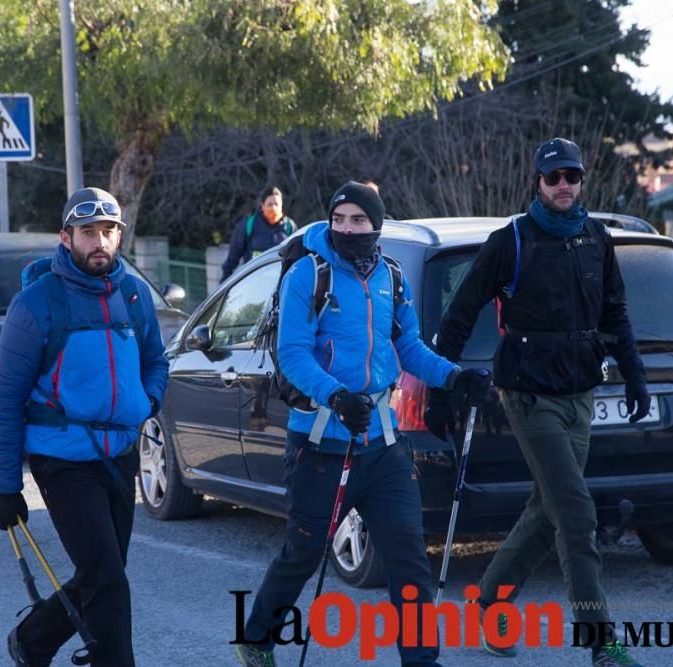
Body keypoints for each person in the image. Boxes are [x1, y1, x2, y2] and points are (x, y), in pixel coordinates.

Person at [235, 181, 492, 667]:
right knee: (304, 555)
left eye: (359, 220)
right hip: (320, 441)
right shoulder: (309, 275)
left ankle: (421, 659)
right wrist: (334, 394)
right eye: (340, 220)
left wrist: (455, 377)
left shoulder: (391, 277)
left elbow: (409, 347)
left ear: (378, 225)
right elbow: (292, 353)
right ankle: (257, 637)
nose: (348, 229)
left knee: (408, 557)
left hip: (383, 444)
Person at [428, 138, 649, 667]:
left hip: (579, 394)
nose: (564, 186)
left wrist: (635, 376)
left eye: (571, 176)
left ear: (580, 180)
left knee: (548, 509)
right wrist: (441, 387)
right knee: (576, 513)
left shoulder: (596, 238)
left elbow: (615, 312)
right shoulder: (512, 241)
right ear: (538, 184)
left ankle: (487, 603)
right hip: (529, 395)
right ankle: (602, 644)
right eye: (553, 178)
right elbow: (460, 312)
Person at [0, 187, 169, 667]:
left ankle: (34, 639)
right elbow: (4, 402)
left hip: (119, 454)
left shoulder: (133, 293)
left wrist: (145, 402)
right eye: (88, 232)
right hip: (63, 459)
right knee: (107, 577)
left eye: (109, 231)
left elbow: (156, 361)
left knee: (104, 571)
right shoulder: (36, 305)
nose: (100, 242)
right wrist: (6, 487)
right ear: (66, 237)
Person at [221, 185, 297, 281]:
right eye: (270, 204)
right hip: (253, 282)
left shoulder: (290, 227)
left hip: (279, 283)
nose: (273, 207)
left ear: (282, 206)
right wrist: (225, 281)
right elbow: (233, 257)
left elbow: (296, 259)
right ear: (262, 206)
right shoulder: (249, 225)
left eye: (276, 204)